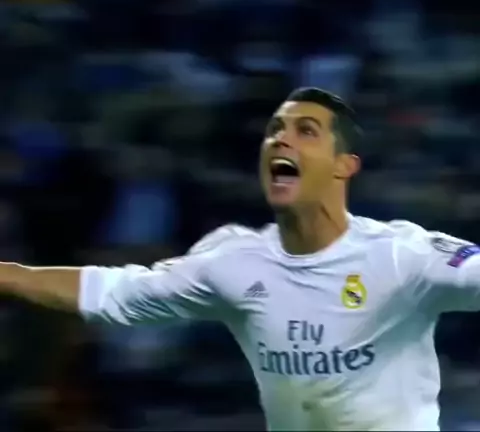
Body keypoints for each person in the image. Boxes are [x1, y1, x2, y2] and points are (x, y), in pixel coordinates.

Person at [1, 87, 480, 431]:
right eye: (275, 131)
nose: (281, 141)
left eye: (306, 131)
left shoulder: (402, 254)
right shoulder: (232, 262)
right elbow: (113, 291)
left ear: (344, 165)